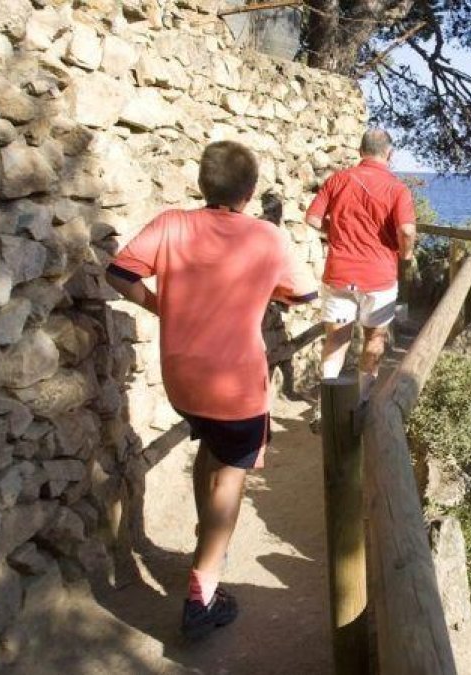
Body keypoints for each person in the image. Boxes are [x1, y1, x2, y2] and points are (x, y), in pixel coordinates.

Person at [105, 140, 316, 640]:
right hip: (237, 386)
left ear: (204, 184)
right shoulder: (268, 238)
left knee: (209, 449)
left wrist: (164, 306)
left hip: (183, 380)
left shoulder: (171, 224)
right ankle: (203, 593)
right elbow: (304, 294)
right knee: (232, 476)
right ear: (249, 191)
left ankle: (206, 538)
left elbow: (118, 273)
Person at [306, 128, 417, 398]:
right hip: (379, 278)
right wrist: (406, 255)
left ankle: (327, 404)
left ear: (360, 152)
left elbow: (312, 219)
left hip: (340, 274)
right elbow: (407, 231)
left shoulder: (338, 180)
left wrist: (334, 234)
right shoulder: (397, 188)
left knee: (336, 340)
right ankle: (363, 400)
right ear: (389, 154)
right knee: (374, 339)